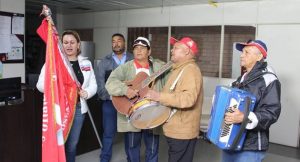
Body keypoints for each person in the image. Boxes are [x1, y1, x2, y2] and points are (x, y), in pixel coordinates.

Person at [36, 30, 97, 162]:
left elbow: (93, 85)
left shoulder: (86, 64)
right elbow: (40, 86)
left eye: (72, 42)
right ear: (61, 45)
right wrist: (56, 86)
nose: (69, 45)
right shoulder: (53, 64)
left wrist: (87, 93)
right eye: (65, 42)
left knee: (72, 145)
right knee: (58, 144)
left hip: (79, 109)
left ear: (78, 45)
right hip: (59, 110)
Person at [105, 36, 167, 162]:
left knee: (153, 147)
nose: (138, 50)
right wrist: (125, 90)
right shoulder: (126, 67)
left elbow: (170, 83)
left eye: (142, 48)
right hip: (132, 112)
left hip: (153, 113)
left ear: (149, 51)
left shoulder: (159, 67)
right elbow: (110, 82)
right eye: (136, 48)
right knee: (132, 146)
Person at [145, 36, 203, 162]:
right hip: (177, 130)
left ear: (187, 51)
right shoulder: (179, 69)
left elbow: (188, 99)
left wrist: (158, 96)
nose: (172, 50)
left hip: (182, 132)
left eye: (176, 48)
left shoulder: (190, 70)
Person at [222, 40, 281, 162]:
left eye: (247, 52)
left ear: (259, 57)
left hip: (251, 147)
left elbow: (271, 113)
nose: (242, 55)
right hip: (232, 141)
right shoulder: (241, 79)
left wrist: (244, 118)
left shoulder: (269, 79)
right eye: (242, 52)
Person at [95, 33, 134, 162]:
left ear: (124, 43)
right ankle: (104, 159)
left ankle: (131, 159)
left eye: (119, 41)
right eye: (113, 41)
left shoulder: (133, 60)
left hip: (130, 102)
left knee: (130, 132)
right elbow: (100, 87)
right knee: (108, 133)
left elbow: (138, 82)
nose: (116, 43)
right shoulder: (104, 62)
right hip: (109, 103)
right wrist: (114, 98)